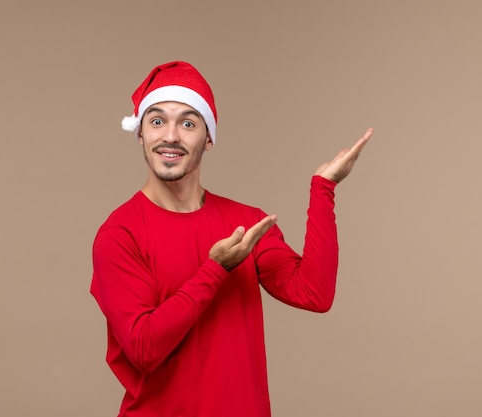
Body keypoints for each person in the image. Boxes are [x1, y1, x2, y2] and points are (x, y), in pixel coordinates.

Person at [90, 60, 373, 417]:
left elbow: (314, 294)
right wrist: (216, 269)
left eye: (188, 123)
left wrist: (324, 189)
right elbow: (144, 349)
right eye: (157, 121)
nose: (171, 136)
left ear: (208, 138)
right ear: (141, 133)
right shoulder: (119, 234)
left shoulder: (244, 222)